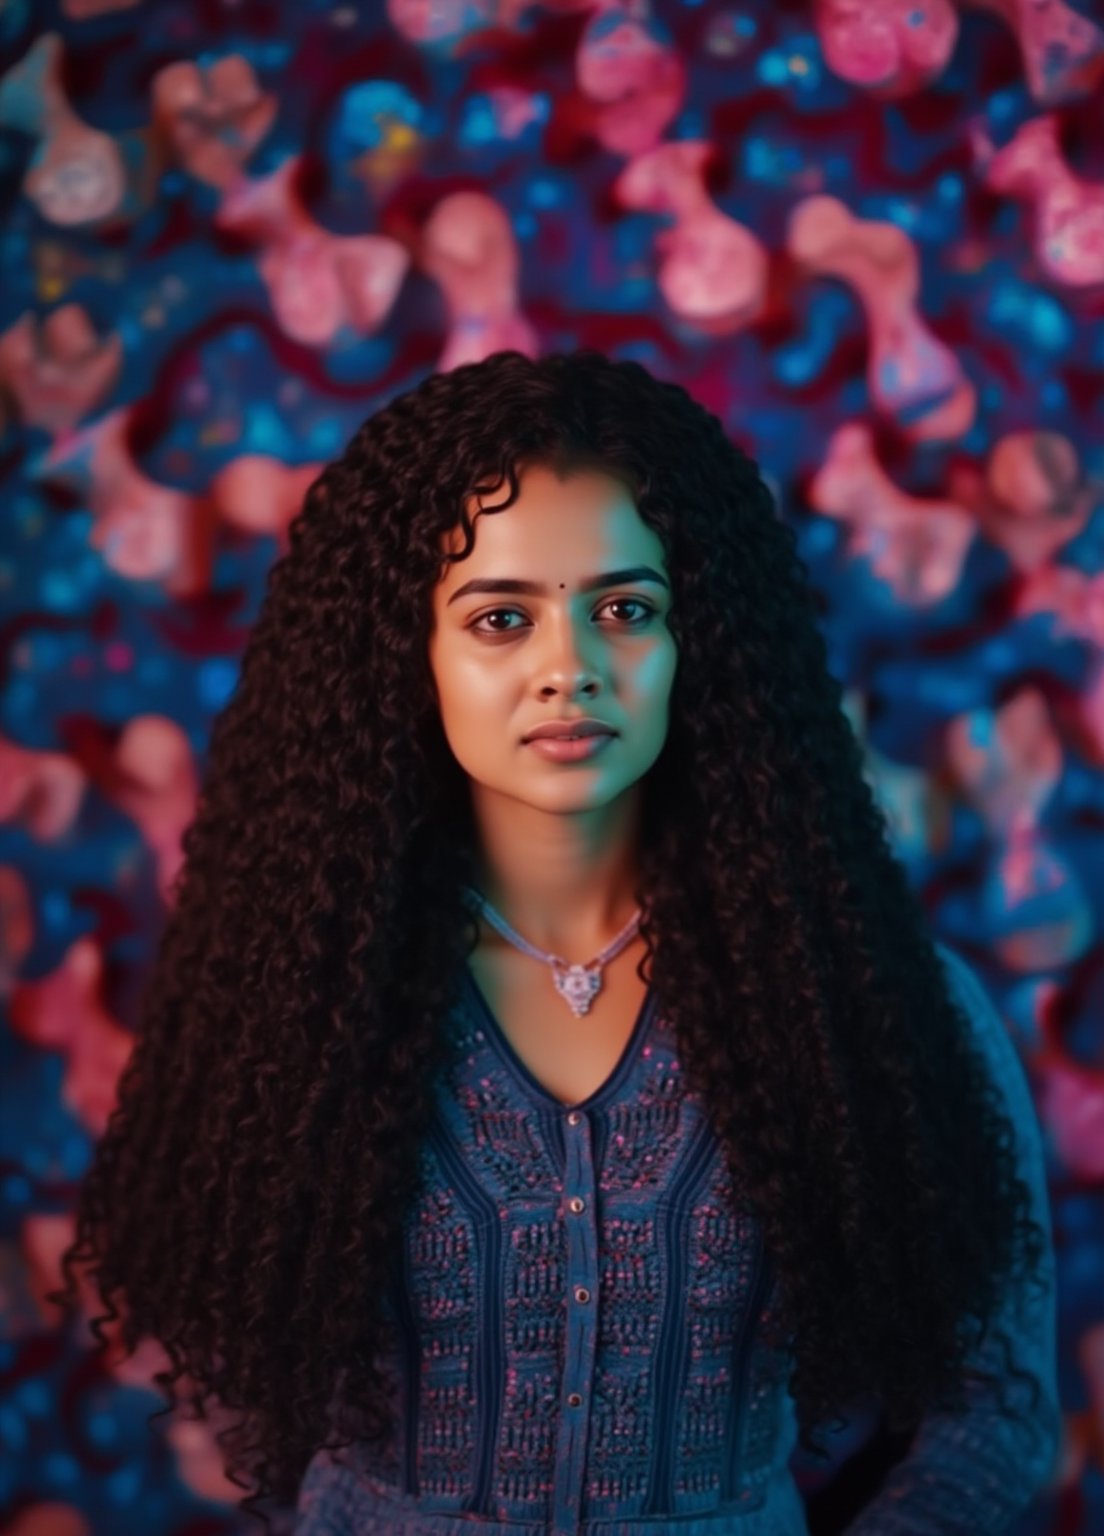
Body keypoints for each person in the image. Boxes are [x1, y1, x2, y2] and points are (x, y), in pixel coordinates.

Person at [49, 349, 1060, 1536]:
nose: (568, 669)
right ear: (408, 654)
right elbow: (244, 1398)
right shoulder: (298, 1004)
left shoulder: (872, 1002)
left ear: (702, 644)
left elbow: (994, 1405)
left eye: (624, 610)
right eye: (500, 618)